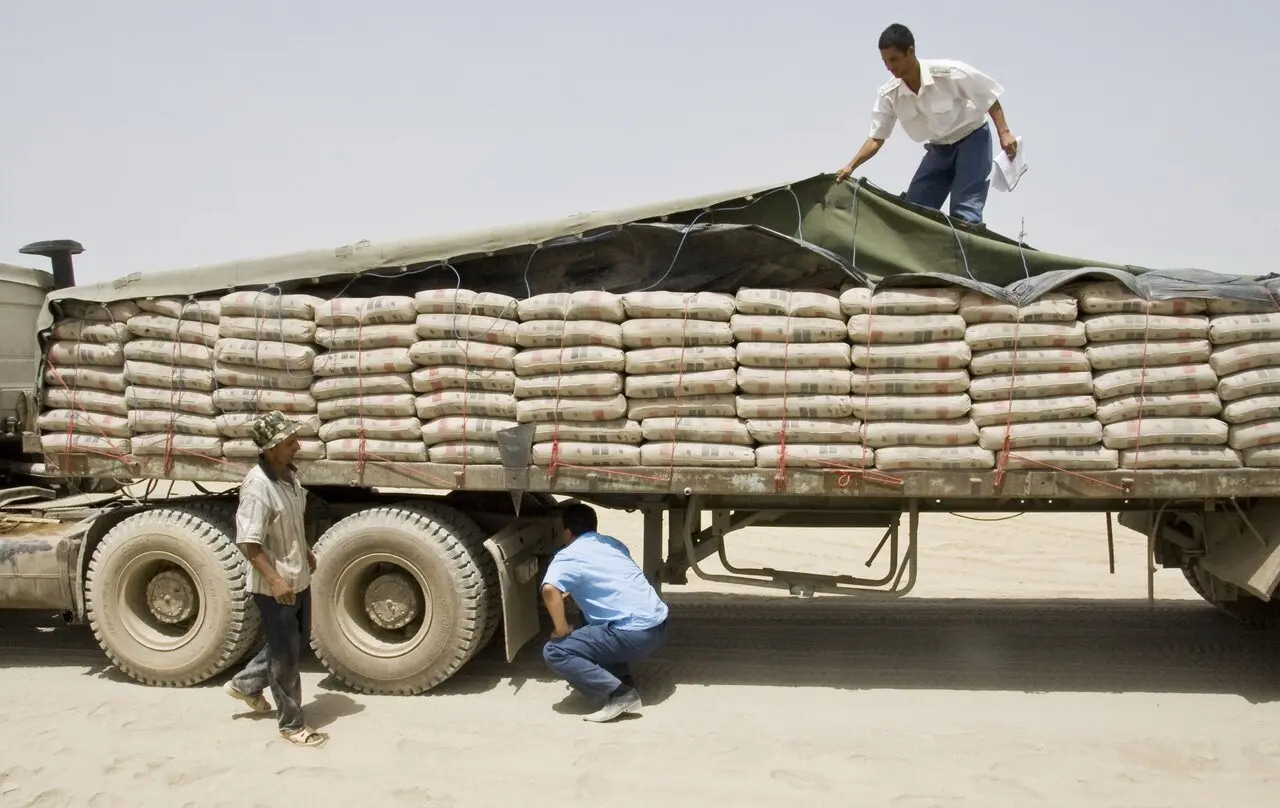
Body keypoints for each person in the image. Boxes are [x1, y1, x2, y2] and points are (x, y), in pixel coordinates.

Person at [835, 23, 1018, 225]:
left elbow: (989, 98)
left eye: (894, 59)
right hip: (939, 148)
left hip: (973, 140)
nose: (889, 66)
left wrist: (1005, 133)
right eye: (885, 61)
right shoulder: (889, 94)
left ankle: (966, 254)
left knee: (965, 213)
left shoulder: (949, 73)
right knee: (915, 209)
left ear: (910, 51)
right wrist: (850, 166)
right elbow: (876, 138)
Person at [222, 410, 327, 747]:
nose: (297, 445)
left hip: (298, 577)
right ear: (269, 449)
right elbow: (248, 543)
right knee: (286, 657)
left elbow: (289, 523)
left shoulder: (289, 477)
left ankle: (245, 685)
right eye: (288, 442)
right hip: (275, 587)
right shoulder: (257, 488)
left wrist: (306, 550)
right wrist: (276, 580)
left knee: (292, 646)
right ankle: (291, 725)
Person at [541, 502, 669, 723]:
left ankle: (621, 694)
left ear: (567, 531)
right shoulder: (612, 544)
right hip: (658, 626)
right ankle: (622, 679)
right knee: (588, 616)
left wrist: (561, 630)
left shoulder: (568, 555)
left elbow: (550, 590)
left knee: (556, 652)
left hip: (633, 635)